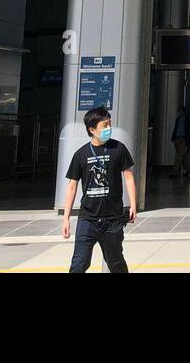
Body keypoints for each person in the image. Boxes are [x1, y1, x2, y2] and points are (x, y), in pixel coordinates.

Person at [61, 106, 137, 273]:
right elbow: (72, 187)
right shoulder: (81, 155)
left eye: (110, 124)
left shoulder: (119, 149)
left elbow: (129, 177)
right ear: (92, 129)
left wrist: (133, 204)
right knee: (79, 265)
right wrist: (66, 218)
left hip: (113, 219)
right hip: (87, 219)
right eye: (105, 125)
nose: (109, 128)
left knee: (116, 263)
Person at [170, 105, 190, 179]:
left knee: (179, 156)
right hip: (178, 138)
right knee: (183, 156)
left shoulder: (186, 120)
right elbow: (175, 128)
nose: (178, 112)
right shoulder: (179, 119)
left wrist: (187, 141)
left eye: (179, 111)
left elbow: (189, 131)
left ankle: (174, 172)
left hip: (182, 139)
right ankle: (189, 170)